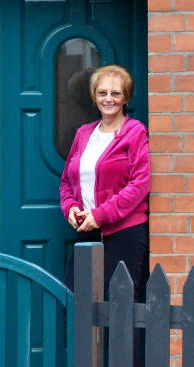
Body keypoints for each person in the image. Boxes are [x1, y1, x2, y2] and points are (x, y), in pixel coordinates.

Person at [59, 64, 150, 299]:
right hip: (86, 231)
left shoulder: (135, 132)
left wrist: (101, 214)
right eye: (102, 93)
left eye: (115, 94)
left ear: (125, 98)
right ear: (94, 96)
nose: (108, 99)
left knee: (119, 306)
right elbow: (66, 182)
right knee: (77, 302)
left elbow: (139, 185)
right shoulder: (83, 134)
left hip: (124, 233)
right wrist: (70, 207)